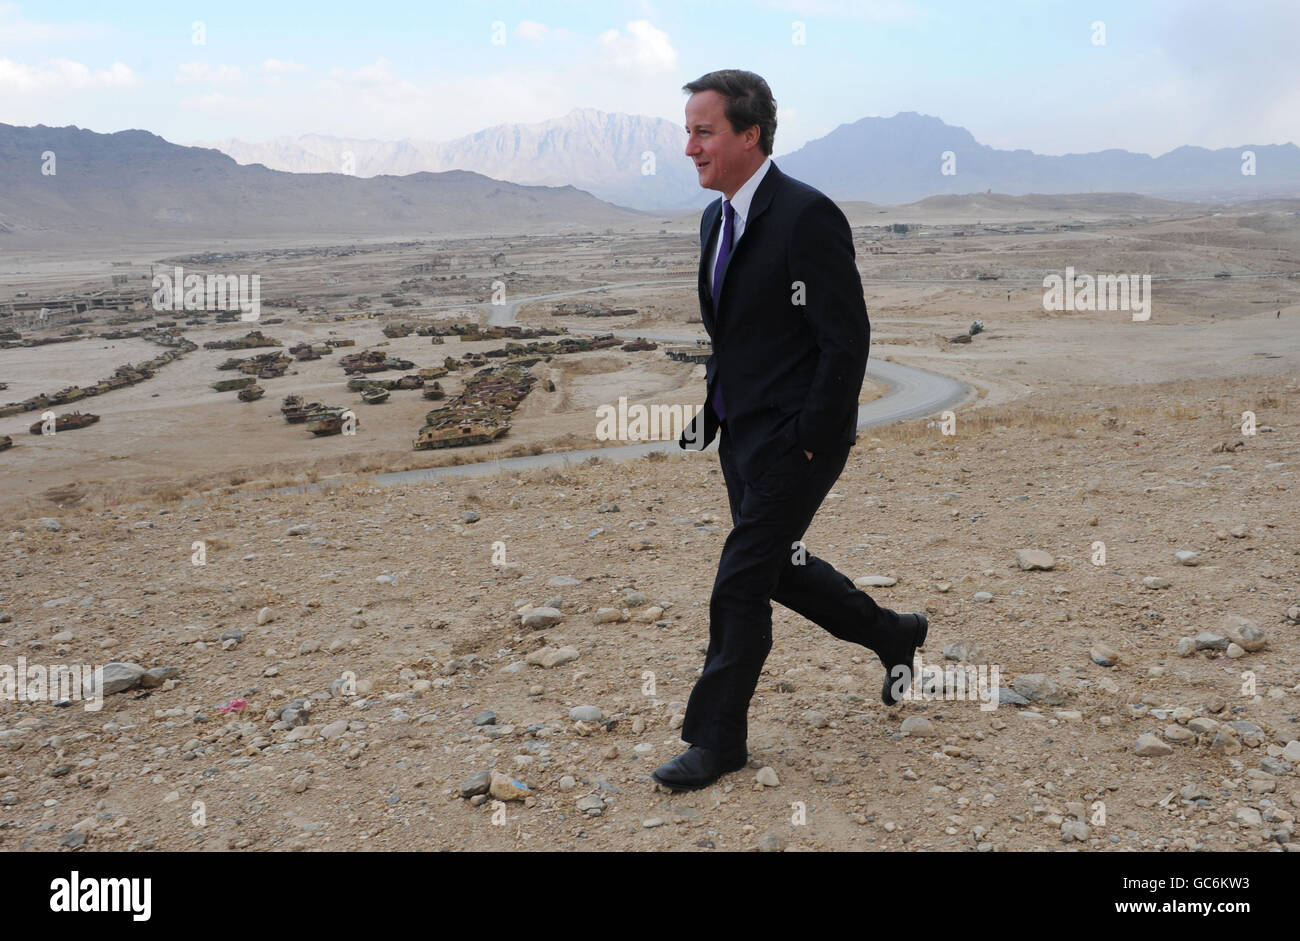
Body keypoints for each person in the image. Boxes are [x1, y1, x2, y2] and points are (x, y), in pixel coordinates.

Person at [652, 69, 929, 792]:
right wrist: (711, 414)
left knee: (739, 579)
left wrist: (812, 434)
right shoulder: (716, 220)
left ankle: (718, 741)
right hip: (743, 437)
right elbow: (736, 336)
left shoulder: (807, 215)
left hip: (800, 441)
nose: (689, 146)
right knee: (777, 565)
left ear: (751, 135)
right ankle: (892, 634)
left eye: (703, 131)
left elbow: (847, 339)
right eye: (687, 130)